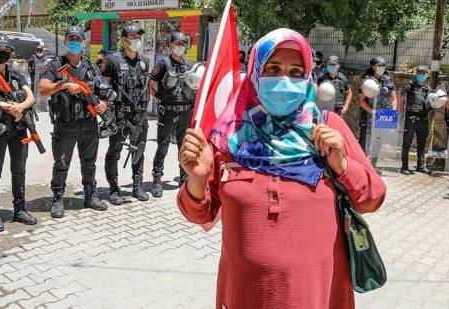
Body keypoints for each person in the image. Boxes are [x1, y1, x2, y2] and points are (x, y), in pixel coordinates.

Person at [177, 28, 386, 308]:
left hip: (315, 294)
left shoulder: (327, 127)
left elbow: (372, 199)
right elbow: (199, 213)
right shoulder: (230, 137)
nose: (284, 79)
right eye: (273, 68)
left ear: (308, 77)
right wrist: (197, 180)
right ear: (254, 73)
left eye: (296, 72)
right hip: (245, 294)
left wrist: (343, 165)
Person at [39, 25, 109, 218]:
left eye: (78, 39)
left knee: (89, 162)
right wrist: (63, 84)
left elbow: (103, 90)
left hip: (88, 122)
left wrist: (103, 103)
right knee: (61, 162)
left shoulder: (91, 66)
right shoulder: (55, 65)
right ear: (65, 41)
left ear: (83, 42)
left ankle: (90, 196)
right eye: (71, 39)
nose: (75, 42)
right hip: (65, 123)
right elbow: (43, 89)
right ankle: (57, 199)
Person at [0, 33, 37, 232]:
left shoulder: (15, 72)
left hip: (18, 129)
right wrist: (6, 105)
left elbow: (31, 96)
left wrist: (21, 107)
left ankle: (20, 209)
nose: (3, 53)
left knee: (19, 170)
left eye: (6, 50)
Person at [102, 24, 150, 205]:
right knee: (115, 151)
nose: (136, 39)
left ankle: (137, 186)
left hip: (139, 116)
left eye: (139, 36)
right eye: (133, 36)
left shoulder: (144, 61)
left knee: (140, 150)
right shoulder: (111, 61)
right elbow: (103, 91)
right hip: (120, 114)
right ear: (124, 40)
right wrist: (107, 117)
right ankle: (114, 189)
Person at [150, 32, 195, 197]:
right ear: (170, 45)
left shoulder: (190, 66)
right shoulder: (163, 64)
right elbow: (151, 84)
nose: (180, 46)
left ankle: (184, 179)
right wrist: (159, 98)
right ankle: (156, 180)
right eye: (177, 43)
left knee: (184, 147)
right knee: (163, 146)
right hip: (167, 111)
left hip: (185, 113)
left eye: (183, 43)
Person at [358, 56, 397, 152]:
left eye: (384, 65)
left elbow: (394, 98)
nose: (382, 67)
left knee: (379, 142)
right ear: (373, 67)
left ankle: (374, 164)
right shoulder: (366, 80)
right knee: (366, 142)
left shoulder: (388, 78)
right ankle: (364, 165)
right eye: (379, 65)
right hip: (369, 115)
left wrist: (393, 113)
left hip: (384, 116)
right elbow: (361, 100)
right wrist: (372, 112)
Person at [400, 65, 432, 175]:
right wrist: (402, 115)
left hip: (423, 120)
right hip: (410, 119)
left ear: (428, 75)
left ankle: (421, 166)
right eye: (420, 72)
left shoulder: (428, 89)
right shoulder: (409, 86)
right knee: (406, 143)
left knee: (422, 144)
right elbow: (402, 100)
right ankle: (404, 166)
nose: (421, 74)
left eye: (424, 73)